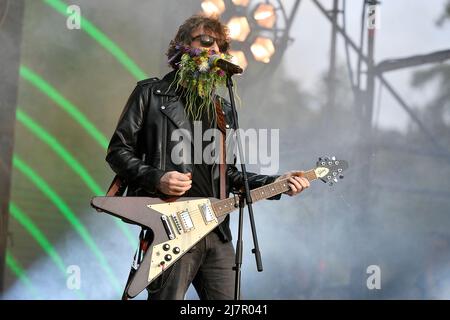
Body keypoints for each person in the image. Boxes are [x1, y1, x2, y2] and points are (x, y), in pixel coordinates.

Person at [105, 14, 310, 300]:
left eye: (221, 47)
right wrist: (157, 178)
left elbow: (229, 176)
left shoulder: (222, 110)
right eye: (206, 42)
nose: (214, 51)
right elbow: (118, 151)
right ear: (181, 46)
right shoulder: (151, 94)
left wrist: (278, 181)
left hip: (217, 232)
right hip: (173, 228)